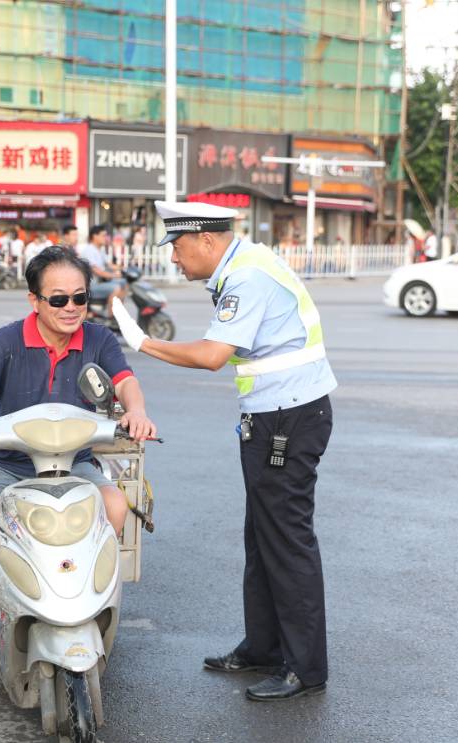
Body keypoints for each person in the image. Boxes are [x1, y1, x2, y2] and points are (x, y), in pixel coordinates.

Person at [111, 201, 336, 703]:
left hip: (287, 421)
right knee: (262, 537)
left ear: (207, 241)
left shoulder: (247, 279)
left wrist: (142, 343)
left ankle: (305, 668)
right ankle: (264, 647)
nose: (173, 258)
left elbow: (213, 356)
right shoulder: (243, 267)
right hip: (275, 418)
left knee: (287, 542)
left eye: (178, 246)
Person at [0, 246, 157, 586]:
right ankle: (8, 590)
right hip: (7, 465)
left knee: (115, 505)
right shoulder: (5, 342)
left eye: (79, 298)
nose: (71, 308)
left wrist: (137, 410)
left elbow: (125, 381)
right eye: (58, 300)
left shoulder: (100, 339)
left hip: (74, 464)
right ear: (35, 300)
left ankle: (78, 587)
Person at [79, 224, 127, 318]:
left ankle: (119, 312)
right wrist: (114, 275)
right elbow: (97, 271)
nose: (106, 238)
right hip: (91, 286)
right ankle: (111, 316)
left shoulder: (99, 250)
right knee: (116, 287)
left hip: (100, 282)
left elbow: (109, 264)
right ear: (94, 236)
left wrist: (122, 268)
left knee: (123, 283)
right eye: (103, 235)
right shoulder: (89, 251)